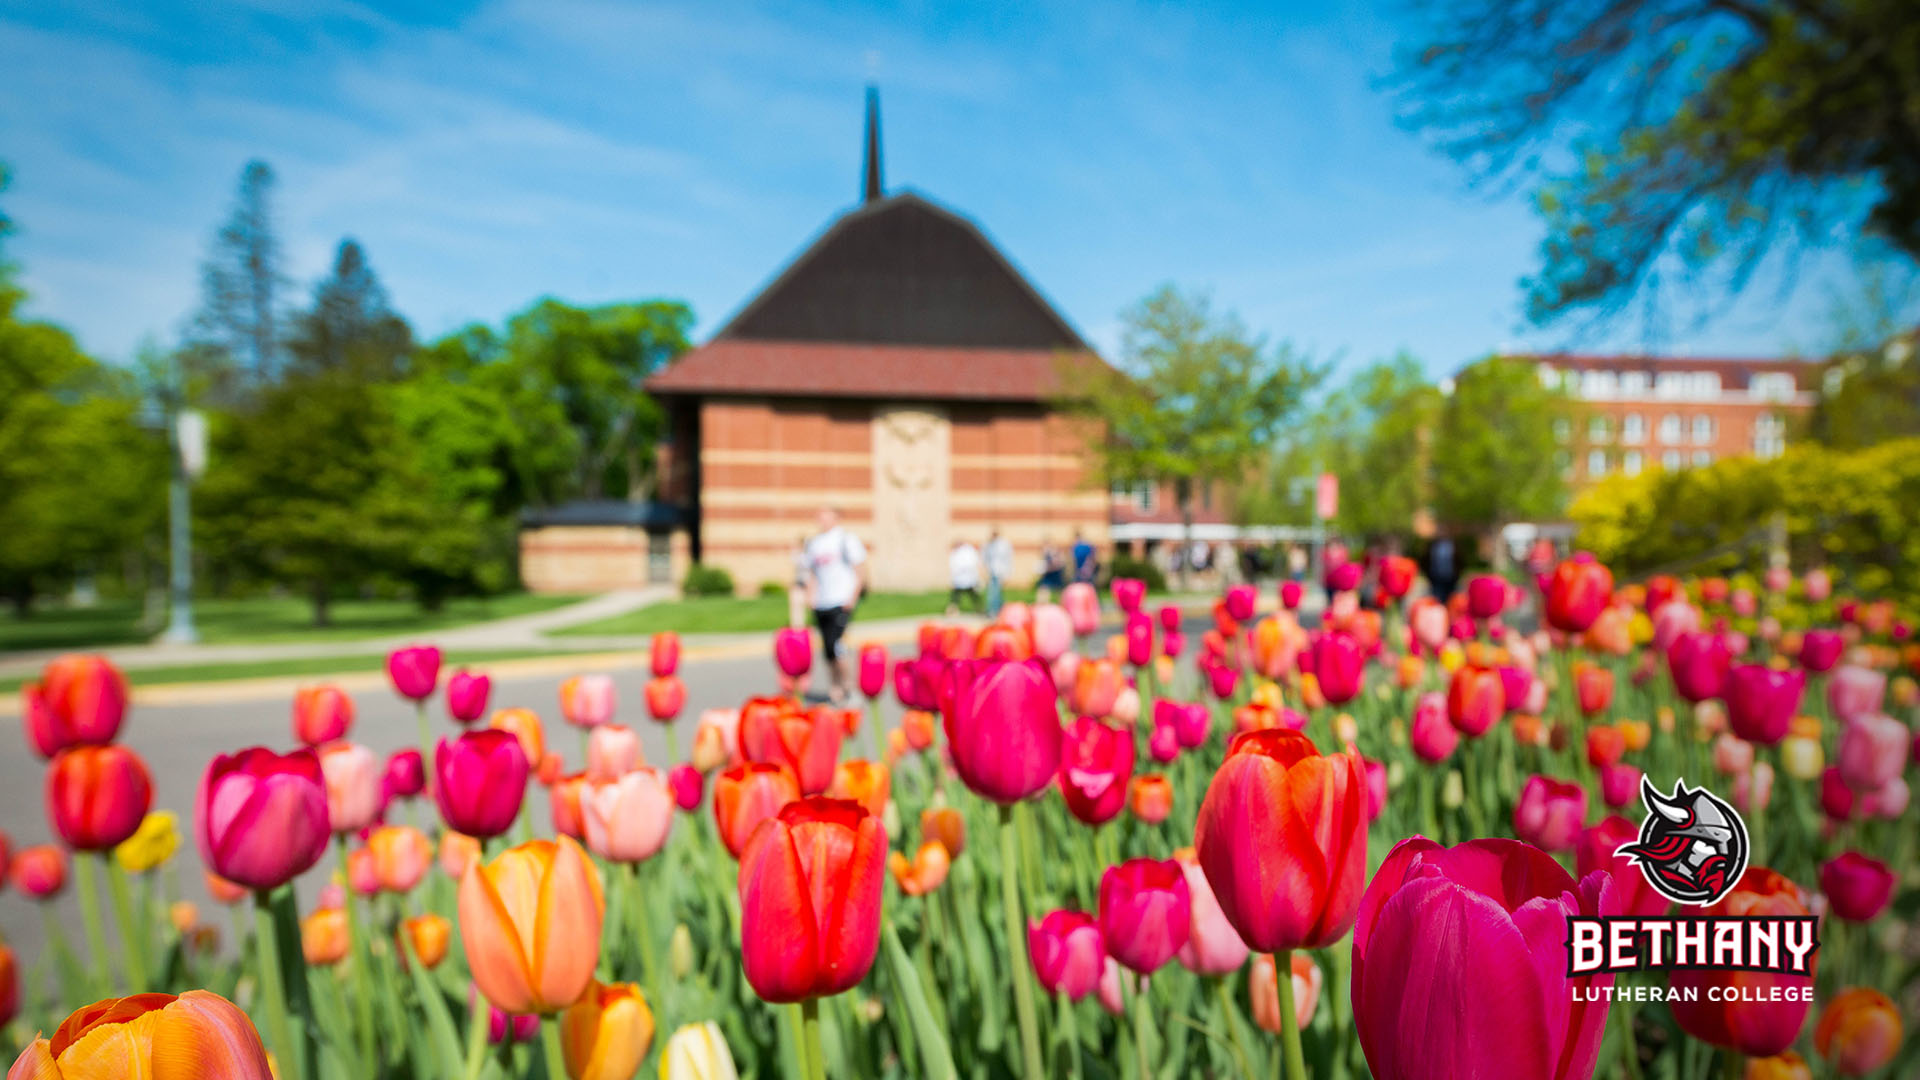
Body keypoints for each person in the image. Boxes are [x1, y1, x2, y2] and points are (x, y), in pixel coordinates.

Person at [805, 508, 868, 704]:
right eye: (820, 515)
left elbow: (860, 569)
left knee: (837, 646)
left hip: (841, 601)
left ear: (836, 517)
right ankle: (835, 688)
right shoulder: (814, 543)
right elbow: (812, 573)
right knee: (828, 650)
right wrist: (811, 596)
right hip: (822, 603)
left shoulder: (846, 540)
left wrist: (853, 596)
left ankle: (848, 687)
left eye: (826, 515)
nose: (821, 519)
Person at [948, 538, 982, 615]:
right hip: (959, 579)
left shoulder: (968, 551)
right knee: (956, 597)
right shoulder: (955, 552)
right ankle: (952, 610)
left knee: (974, 595)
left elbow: (972, 563)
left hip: (969, 578)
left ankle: (979, 609)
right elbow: (953, 566)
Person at [984, 527, 1014, 617]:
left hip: (1001, 572)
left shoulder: (1004, 544)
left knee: (998, 593)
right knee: (992, 592)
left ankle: (998, 610)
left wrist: (1008, 574)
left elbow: (1008, 559)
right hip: (992, 572)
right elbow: (986, 558)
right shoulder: (989, 545)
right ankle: (993, 610)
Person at [1425, 534, 1459, 604]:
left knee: (1450, 598)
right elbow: (1428, 561)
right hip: (1437, 577)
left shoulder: (1452, 546)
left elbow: (1458, 561)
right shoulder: (1434, 546)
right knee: (1437, 598)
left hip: (1450, 577)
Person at [787, 534, 810, 630]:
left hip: (809, 586)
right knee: (797, 612)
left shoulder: (809, 556)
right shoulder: (799, 556)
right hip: (800, 584)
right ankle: (798, 630)